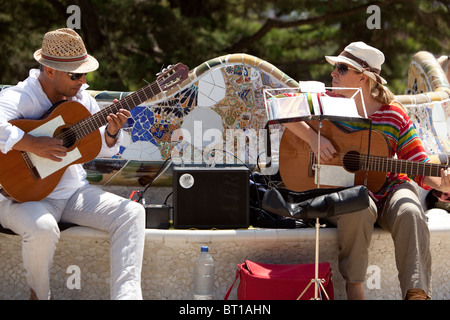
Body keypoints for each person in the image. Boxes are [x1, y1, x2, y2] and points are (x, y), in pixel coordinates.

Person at [284, 41, 450, 300]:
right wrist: (313, 139)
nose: (332, 74)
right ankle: (355, 289)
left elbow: (418, 163)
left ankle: (417, 293)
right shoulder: (327, 101)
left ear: (362, 77)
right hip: (345, 192)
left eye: (340, 68)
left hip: (389, 188)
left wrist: (442, 184)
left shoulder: (395, 114)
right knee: (358, 204)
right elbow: (281, 106)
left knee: (410, 209)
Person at [0, 28, 146, 300]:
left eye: (84, 73)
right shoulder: (19, 97)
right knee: (42, 228)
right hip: (20, 198)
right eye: (75, 74)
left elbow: (95, 146)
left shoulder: (81, 99)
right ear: (50, 70)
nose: (83, 80)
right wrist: (32, 144)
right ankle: (40, 296)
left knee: (132, 213)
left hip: (71, 193)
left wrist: (112, 133)